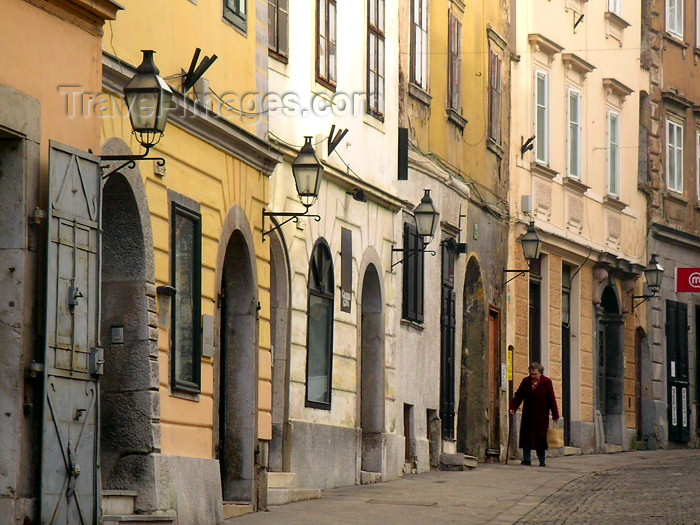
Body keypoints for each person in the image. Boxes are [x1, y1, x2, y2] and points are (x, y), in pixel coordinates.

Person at [509, 362, 559, 467]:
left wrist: (555, 415)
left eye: (535, 374)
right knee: (526, 437)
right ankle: (527, 459)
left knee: (540, 439)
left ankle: (542, 460)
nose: (533, 377)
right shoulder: (525, 382)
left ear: (540, 373)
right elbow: (519, 396)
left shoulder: (547, 382)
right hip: (528, 414)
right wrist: (513, 407)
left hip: (541, 416)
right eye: (532, 374)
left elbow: (551, 399)